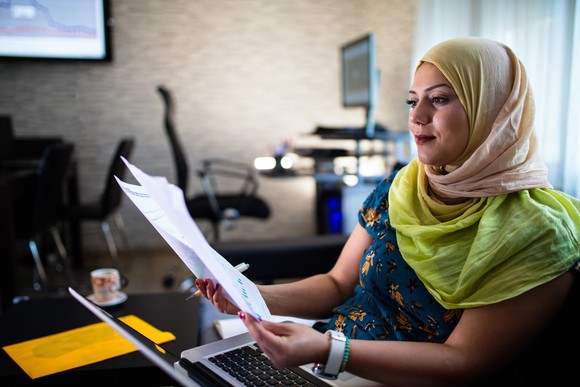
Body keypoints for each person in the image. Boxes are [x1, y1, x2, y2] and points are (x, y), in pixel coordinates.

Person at [195, 37, 580, 386]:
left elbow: (462, 360)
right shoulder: (402, 185)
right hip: (328, 361)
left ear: (493, 110)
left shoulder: (535, 232)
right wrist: (254, 296)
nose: (416, 117)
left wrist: (328, 350)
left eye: (440, 99)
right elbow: (337, 285)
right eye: (413, 101)